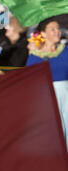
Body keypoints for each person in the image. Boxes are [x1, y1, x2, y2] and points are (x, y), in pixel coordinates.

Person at [26, 18, 68, 150]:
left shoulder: (66, 51)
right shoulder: (35, 57)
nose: (57, 32)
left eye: (58, 29)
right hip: (47, 99)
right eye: (52, 29)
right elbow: (29, 82)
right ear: (43, 34)